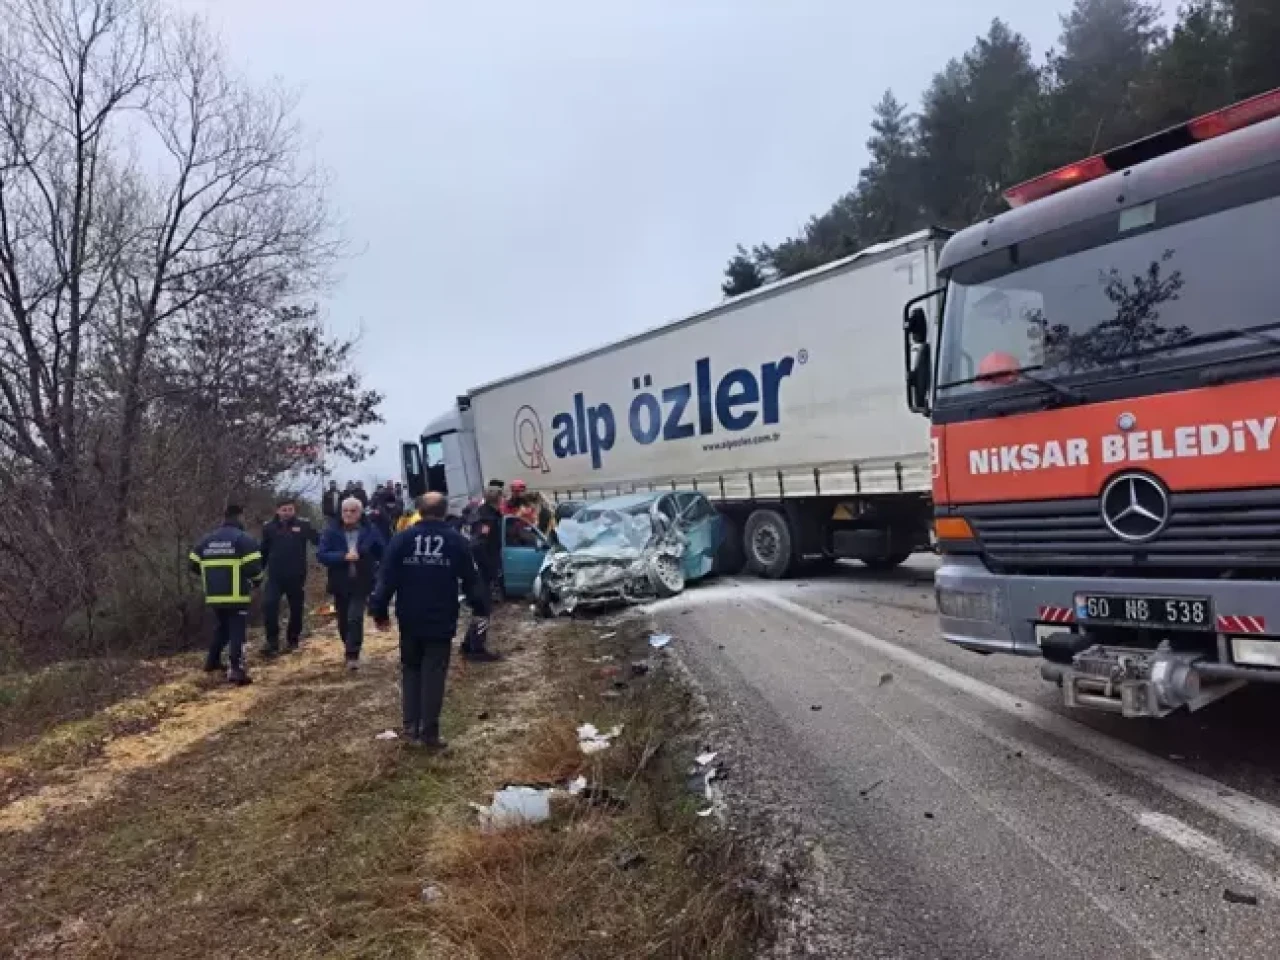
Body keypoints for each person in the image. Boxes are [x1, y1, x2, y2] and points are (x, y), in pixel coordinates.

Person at [371, 492, 489, 749]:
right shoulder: (456, 541)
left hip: (409, 616)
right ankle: (429, 733)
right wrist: (480, 607)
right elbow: (471, 579)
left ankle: (411, 727)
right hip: (440, 616)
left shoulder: (402, 539)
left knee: (411, 670)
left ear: (419, 511)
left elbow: (386, 578)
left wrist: (379, 611)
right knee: (434, 673)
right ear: (445, 511)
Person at [189, 505, 264, 685]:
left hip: (214, 595)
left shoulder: (207, 540)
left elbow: (193, 564)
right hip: (236, 594)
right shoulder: (243, 540)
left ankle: (212, 662)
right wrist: (257, 583)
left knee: (222, 628)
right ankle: (236, 670)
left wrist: (212, 575)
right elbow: (254, 569)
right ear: (240, 516)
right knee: (237, 631)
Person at [317, 497, 385, 670]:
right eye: (345, 510)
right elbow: (322, 555)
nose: (348, 514)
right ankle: (348, 645)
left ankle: (352, 654)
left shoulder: (370, 530)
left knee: (355, 617)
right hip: (340, 581)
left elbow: (382, 551)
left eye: (353, 511)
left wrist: (379, 566)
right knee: (343, 620)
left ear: (360, 513)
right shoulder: (331, 531)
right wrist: (342, 556)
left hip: (362, 581)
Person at [260, 496, 319, 656]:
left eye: (290, 510)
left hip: (296, 575)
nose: (287, 513)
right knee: (270, 606)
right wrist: (258, 572)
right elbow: (263, 552)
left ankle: (293, 640)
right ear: (278, 511)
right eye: (284, 510)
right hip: (275, 576)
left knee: (296, 610)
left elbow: (318, 541)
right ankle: (272, 642)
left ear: (294, 510)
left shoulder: (303, 525)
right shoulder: (269, 528)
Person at [461, 483, 505, 661]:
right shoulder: (487, 518)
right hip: (480, 570)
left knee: (479, 608)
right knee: (484, 608)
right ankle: (477, 649)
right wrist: (489, 568)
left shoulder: (484, 513)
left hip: (477, 569)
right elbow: (478, 544)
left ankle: (468, 644)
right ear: (498, 499)